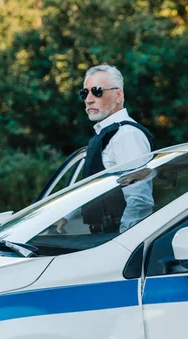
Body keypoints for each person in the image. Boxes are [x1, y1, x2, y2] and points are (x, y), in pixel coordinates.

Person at [57, 64, 154, 233]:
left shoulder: (126, 135)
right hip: (102, 235)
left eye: (97, 91)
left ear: (118, 95)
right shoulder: (106, 135)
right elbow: (95, 187)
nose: (89, 99)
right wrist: (64, 214)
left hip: (117, 238)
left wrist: (125, 241)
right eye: (85, 93)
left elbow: (140, 200)